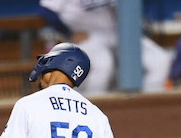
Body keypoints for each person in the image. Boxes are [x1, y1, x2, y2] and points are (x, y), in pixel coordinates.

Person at [39, 0, 171, 95]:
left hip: (120, 32)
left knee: (160, 60)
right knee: (103, 65)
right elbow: (47, 10)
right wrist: (69, 33)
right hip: (87, 34)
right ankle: (92, 111)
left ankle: (145, 107)